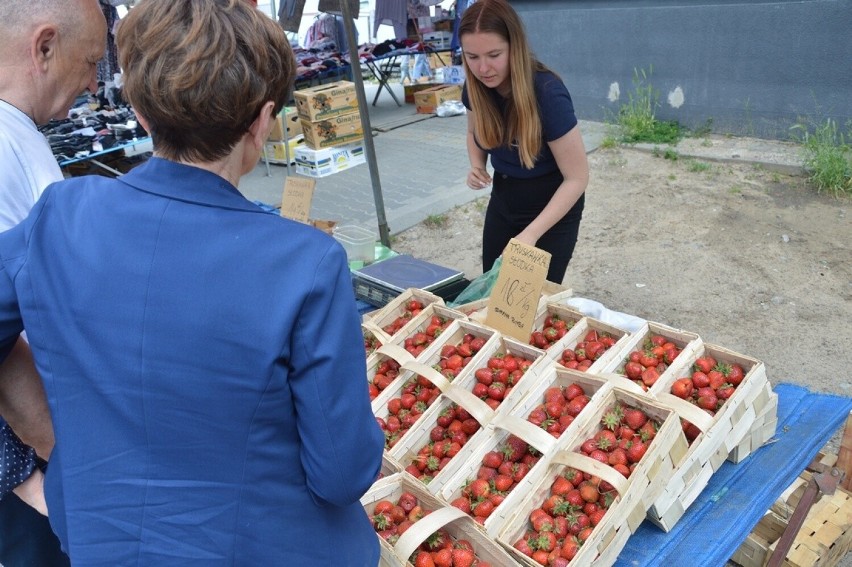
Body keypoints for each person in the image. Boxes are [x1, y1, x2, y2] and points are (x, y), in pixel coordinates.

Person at [0, 0, 384, 564]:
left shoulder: (60, 218)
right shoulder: (305, 263)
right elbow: (341, 472)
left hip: (103, 542)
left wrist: (52, 431)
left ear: (143, 114)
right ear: (262, 120)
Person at [0, 0, 107, 564]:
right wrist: (54, 464)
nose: (95, 83)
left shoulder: (18, 135)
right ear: (43, 47)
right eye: (91, 62)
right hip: (32, 464)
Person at [459, 0, 589, 283]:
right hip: (504, 199)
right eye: (472, 57)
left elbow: (577, 178)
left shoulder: (547, 94)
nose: (483, 68)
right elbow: (473, 133)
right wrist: (476, 164)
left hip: (551, 206)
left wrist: (531, 233)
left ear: (514, 46)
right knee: (492, 292)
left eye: (494, 54)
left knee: (529, 307)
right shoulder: (474, 89)